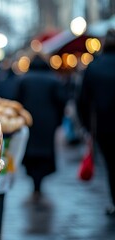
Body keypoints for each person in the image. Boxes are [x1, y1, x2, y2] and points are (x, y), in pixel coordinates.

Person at [16, 55, 66, 196]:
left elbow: (16, 101)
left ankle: (34, 180)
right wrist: (59, 119)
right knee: (45, 150)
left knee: (30, 150)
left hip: (29, 121)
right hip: (48, 122)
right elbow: (61, 101)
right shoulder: (53, 79)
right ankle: (40, 180)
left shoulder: (24, 79)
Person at [77, 29, 115, 216]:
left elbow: (82, 100)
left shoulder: (95, 66)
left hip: (105, 127)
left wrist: (86, 127)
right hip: (104, 126)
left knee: (111, 166)